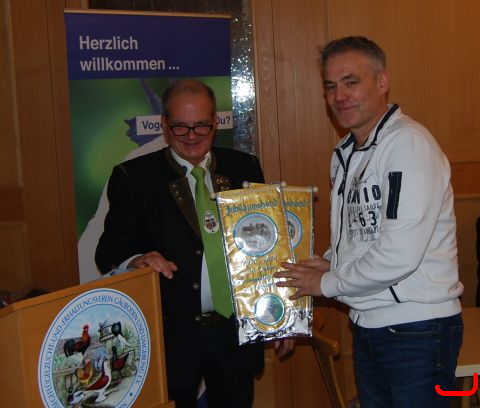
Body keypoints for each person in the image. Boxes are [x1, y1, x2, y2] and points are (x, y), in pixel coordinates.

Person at [275, 36, 464, 407]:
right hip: (369, 325)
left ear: (382, 82)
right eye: (331, 86)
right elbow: (362, 234)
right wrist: (330, 262)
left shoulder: (408, 145)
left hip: (417, 330)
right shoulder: (347, 152)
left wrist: (326, 282)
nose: (339, 96)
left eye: (351, 82)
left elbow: (399, 254)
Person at [96, 79, 293, 408]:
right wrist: (137, 259)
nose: (191, 136)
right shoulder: (133, 177)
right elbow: (109, 250)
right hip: (172, 336)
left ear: (215, 122)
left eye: (201, 125)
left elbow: (266, 247)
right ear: (164, 124)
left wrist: (281, 317)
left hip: (234, 333)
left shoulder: (244, 167)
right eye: (180, 126)